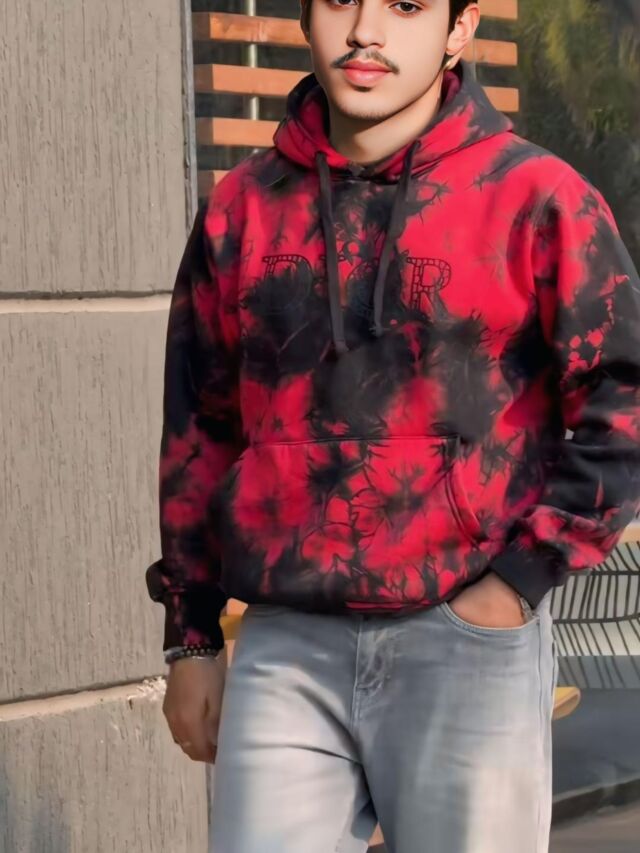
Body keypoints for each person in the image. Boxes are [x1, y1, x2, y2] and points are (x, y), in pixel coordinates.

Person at [145, 1, 640, 850]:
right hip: (287, 639)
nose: (366, 31)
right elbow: (199, 428)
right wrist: (191, 636)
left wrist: (518, 579)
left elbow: (622, 404)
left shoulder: (539, 198)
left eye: (406, 6)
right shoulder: (243, 208)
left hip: (465, 631)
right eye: (343, 0)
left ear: (460, 27)